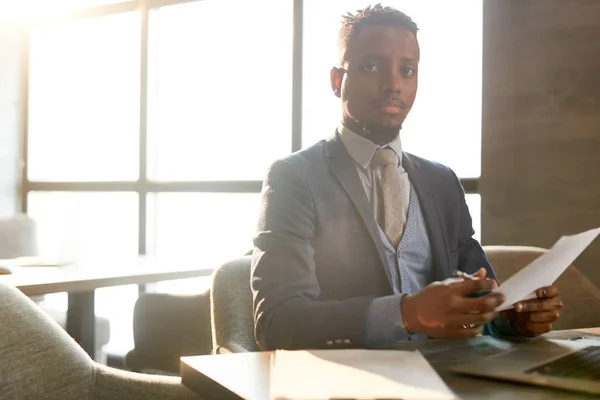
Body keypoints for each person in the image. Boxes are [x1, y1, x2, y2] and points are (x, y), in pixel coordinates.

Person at [251, 4, 563, 350]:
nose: (393, 85)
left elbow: (481, 297)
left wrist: (512, 317)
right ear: (338, 80)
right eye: (372, 67)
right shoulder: (294, 178)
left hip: (453, 375)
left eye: (407, 70)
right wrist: (407, 312)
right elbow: (277, 322)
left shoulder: (442, 182)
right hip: (356, 381)